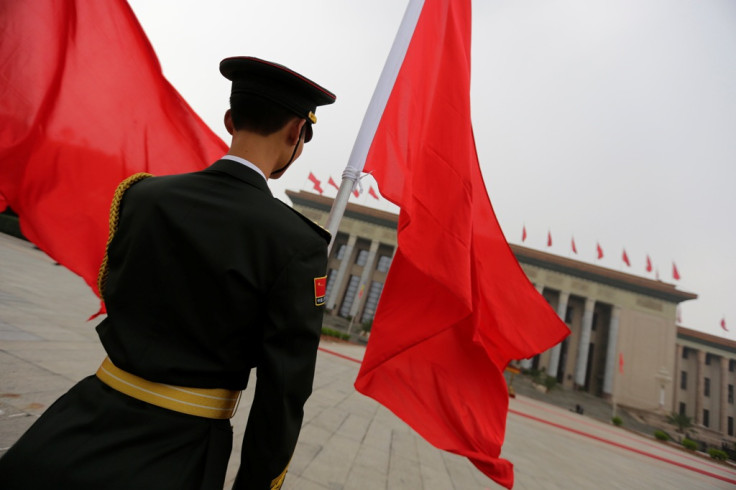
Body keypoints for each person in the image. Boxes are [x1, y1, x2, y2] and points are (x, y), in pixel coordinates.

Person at [0, 56, 336, 489]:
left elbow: (118, 292)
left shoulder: (142, 196)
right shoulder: (297, 243)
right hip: (179, 450)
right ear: (296, 133)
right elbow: (282, 396)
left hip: (78, 421)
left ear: (230, 119)